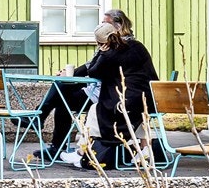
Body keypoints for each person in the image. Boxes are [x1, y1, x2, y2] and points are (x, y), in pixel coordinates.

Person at [60, 20, 165, 169]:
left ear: (100, 42)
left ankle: (81, 152)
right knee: (138, 115)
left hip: (124, 101)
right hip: (149, 99)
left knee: (95, 111)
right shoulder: (137, 45)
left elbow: (93, 72)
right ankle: (145, 148)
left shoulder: (110, 55)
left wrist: (101, 53)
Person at [37, 8, 133, 159]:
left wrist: (73, 74)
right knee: (62, 90)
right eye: (101, 23)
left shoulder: (123, 45)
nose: (101, 27)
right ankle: (49, 134)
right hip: (97, 88)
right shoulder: (110, 42)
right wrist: (70, 75)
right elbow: (92, 66)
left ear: (118, 25)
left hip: (108, 95)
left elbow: (95, 69)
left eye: (105, 24)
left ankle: (42, 120)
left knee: (63, 95)